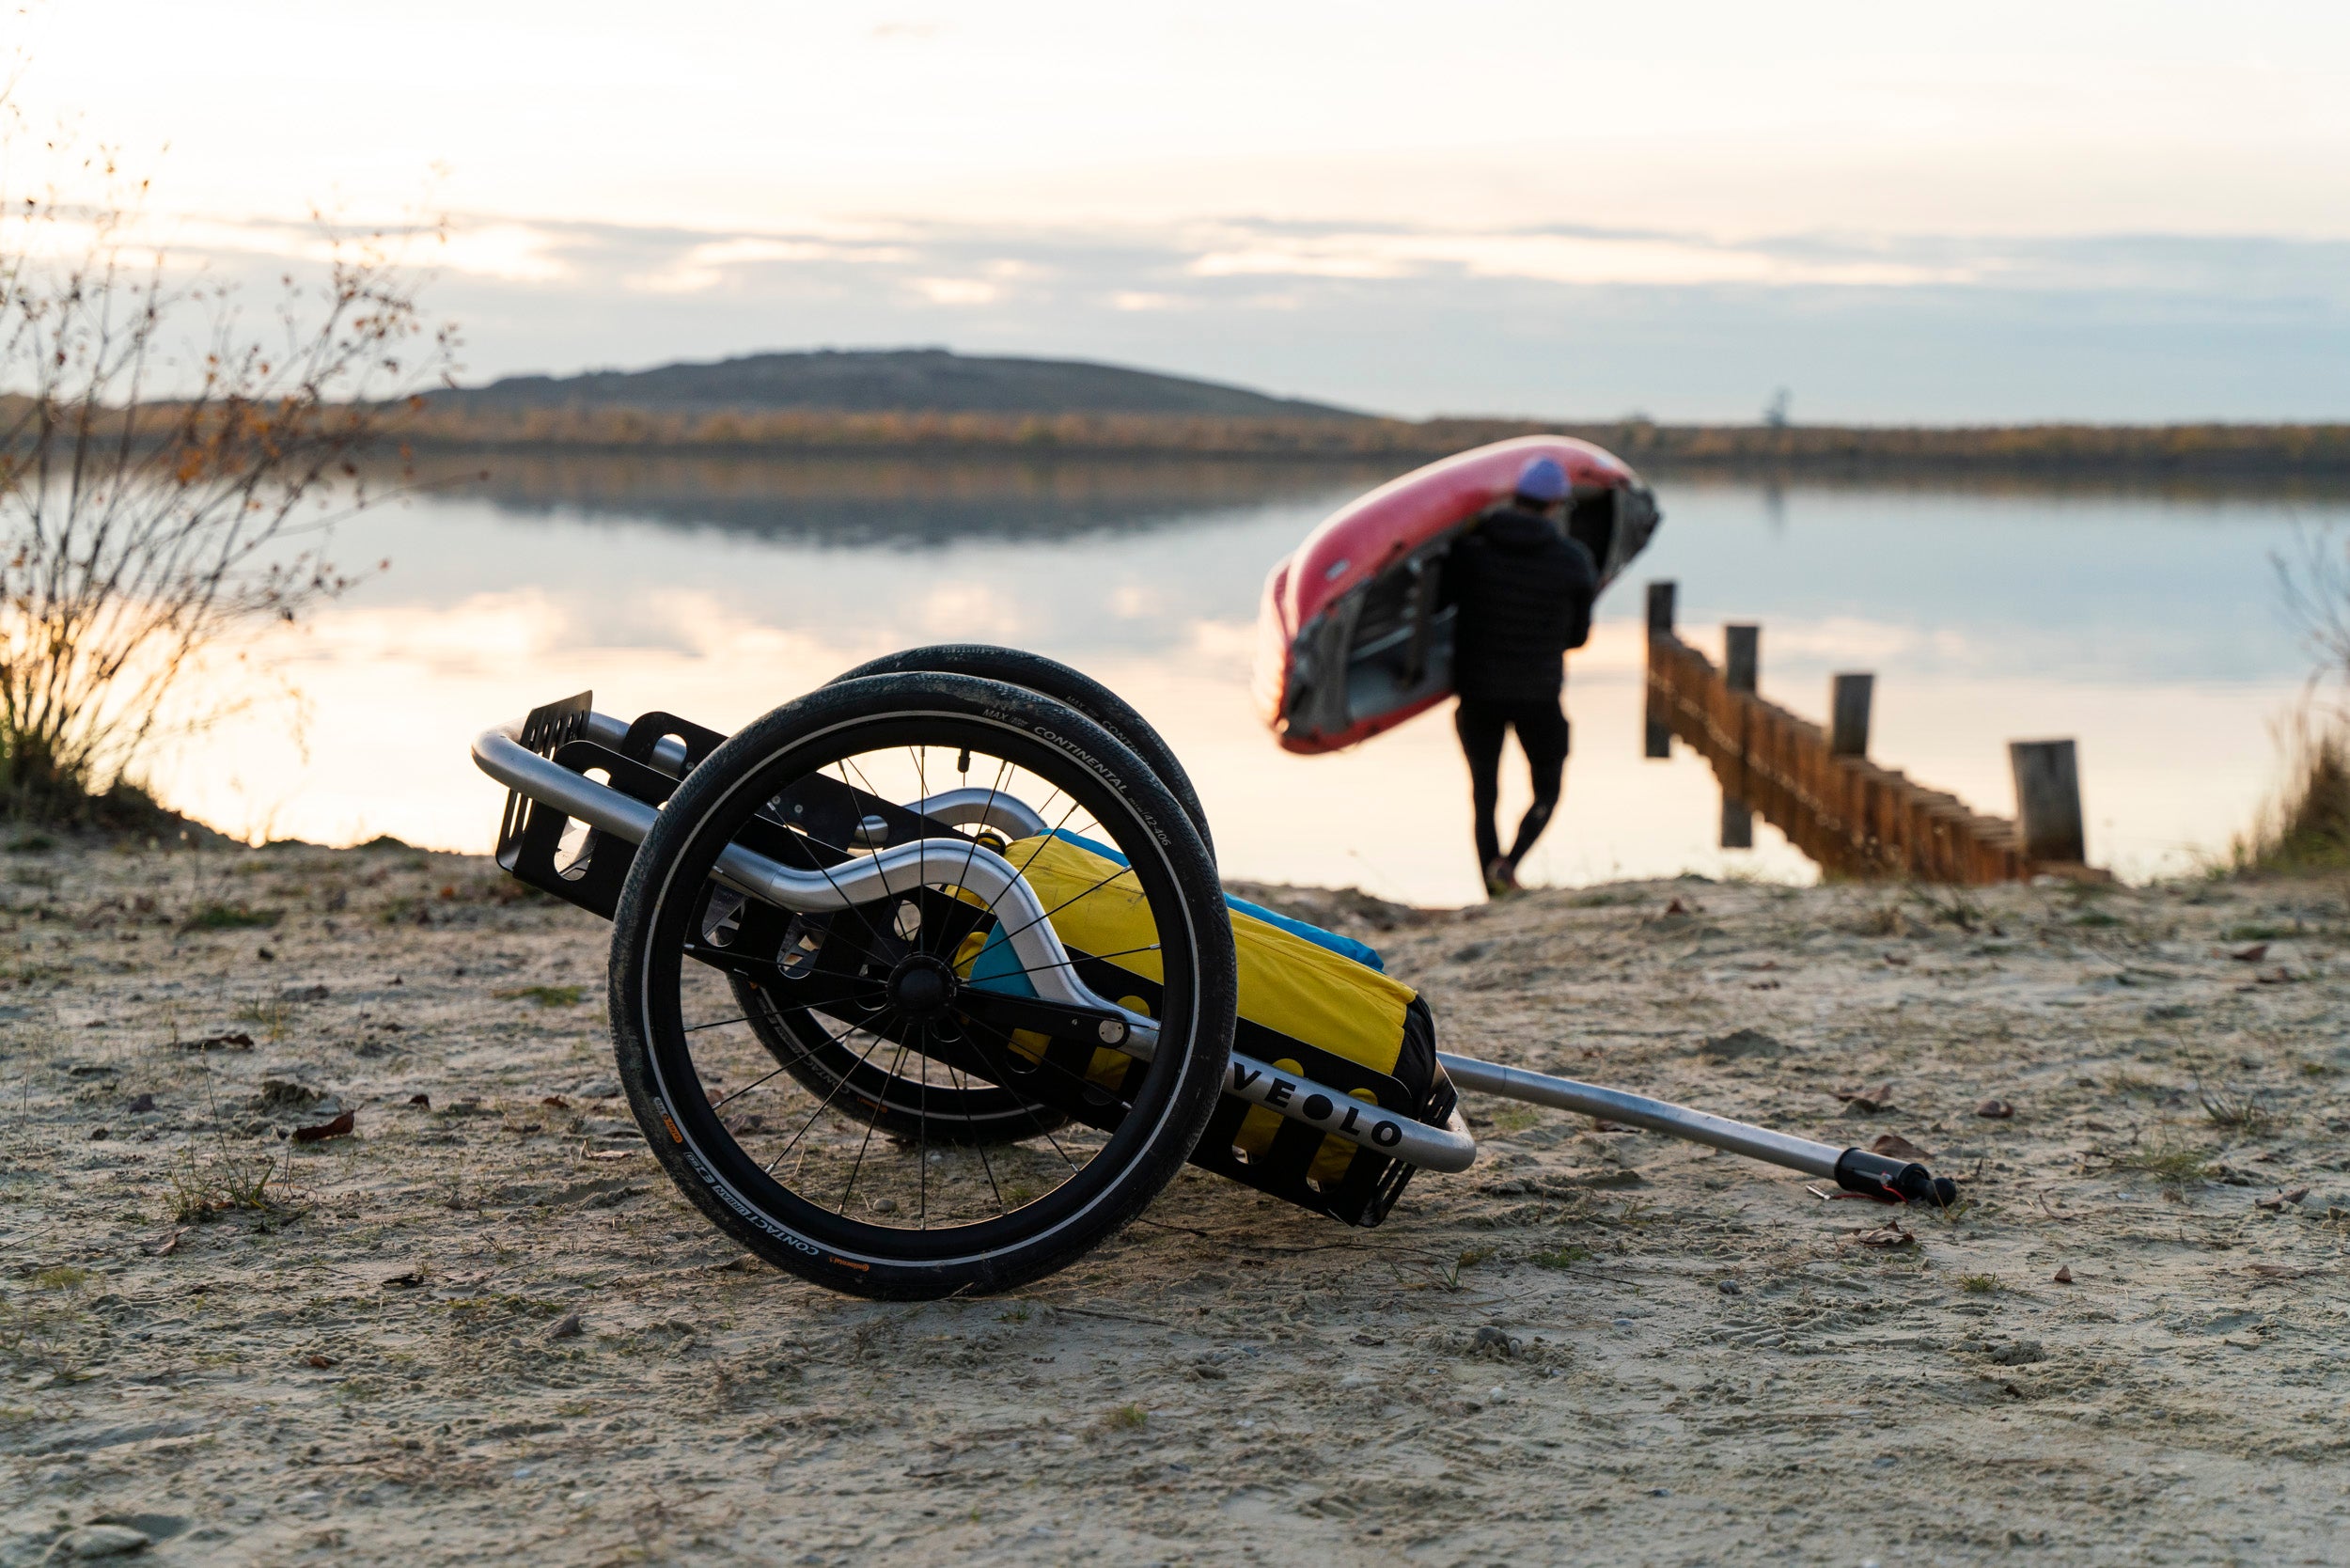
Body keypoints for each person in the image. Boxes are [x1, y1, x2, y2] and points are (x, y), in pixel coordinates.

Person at [1449, 454, 1600, 898]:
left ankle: (1491, 889)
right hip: (1538, 695)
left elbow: (1439, 605)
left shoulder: (1470, 550)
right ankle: (1510, 864)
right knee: (1548, 788)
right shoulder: (1572, 560)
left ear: (1514, 496)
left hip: (1477, 694)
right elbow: (1577, 637)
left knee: (1484, 794)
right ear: (1556, 505)